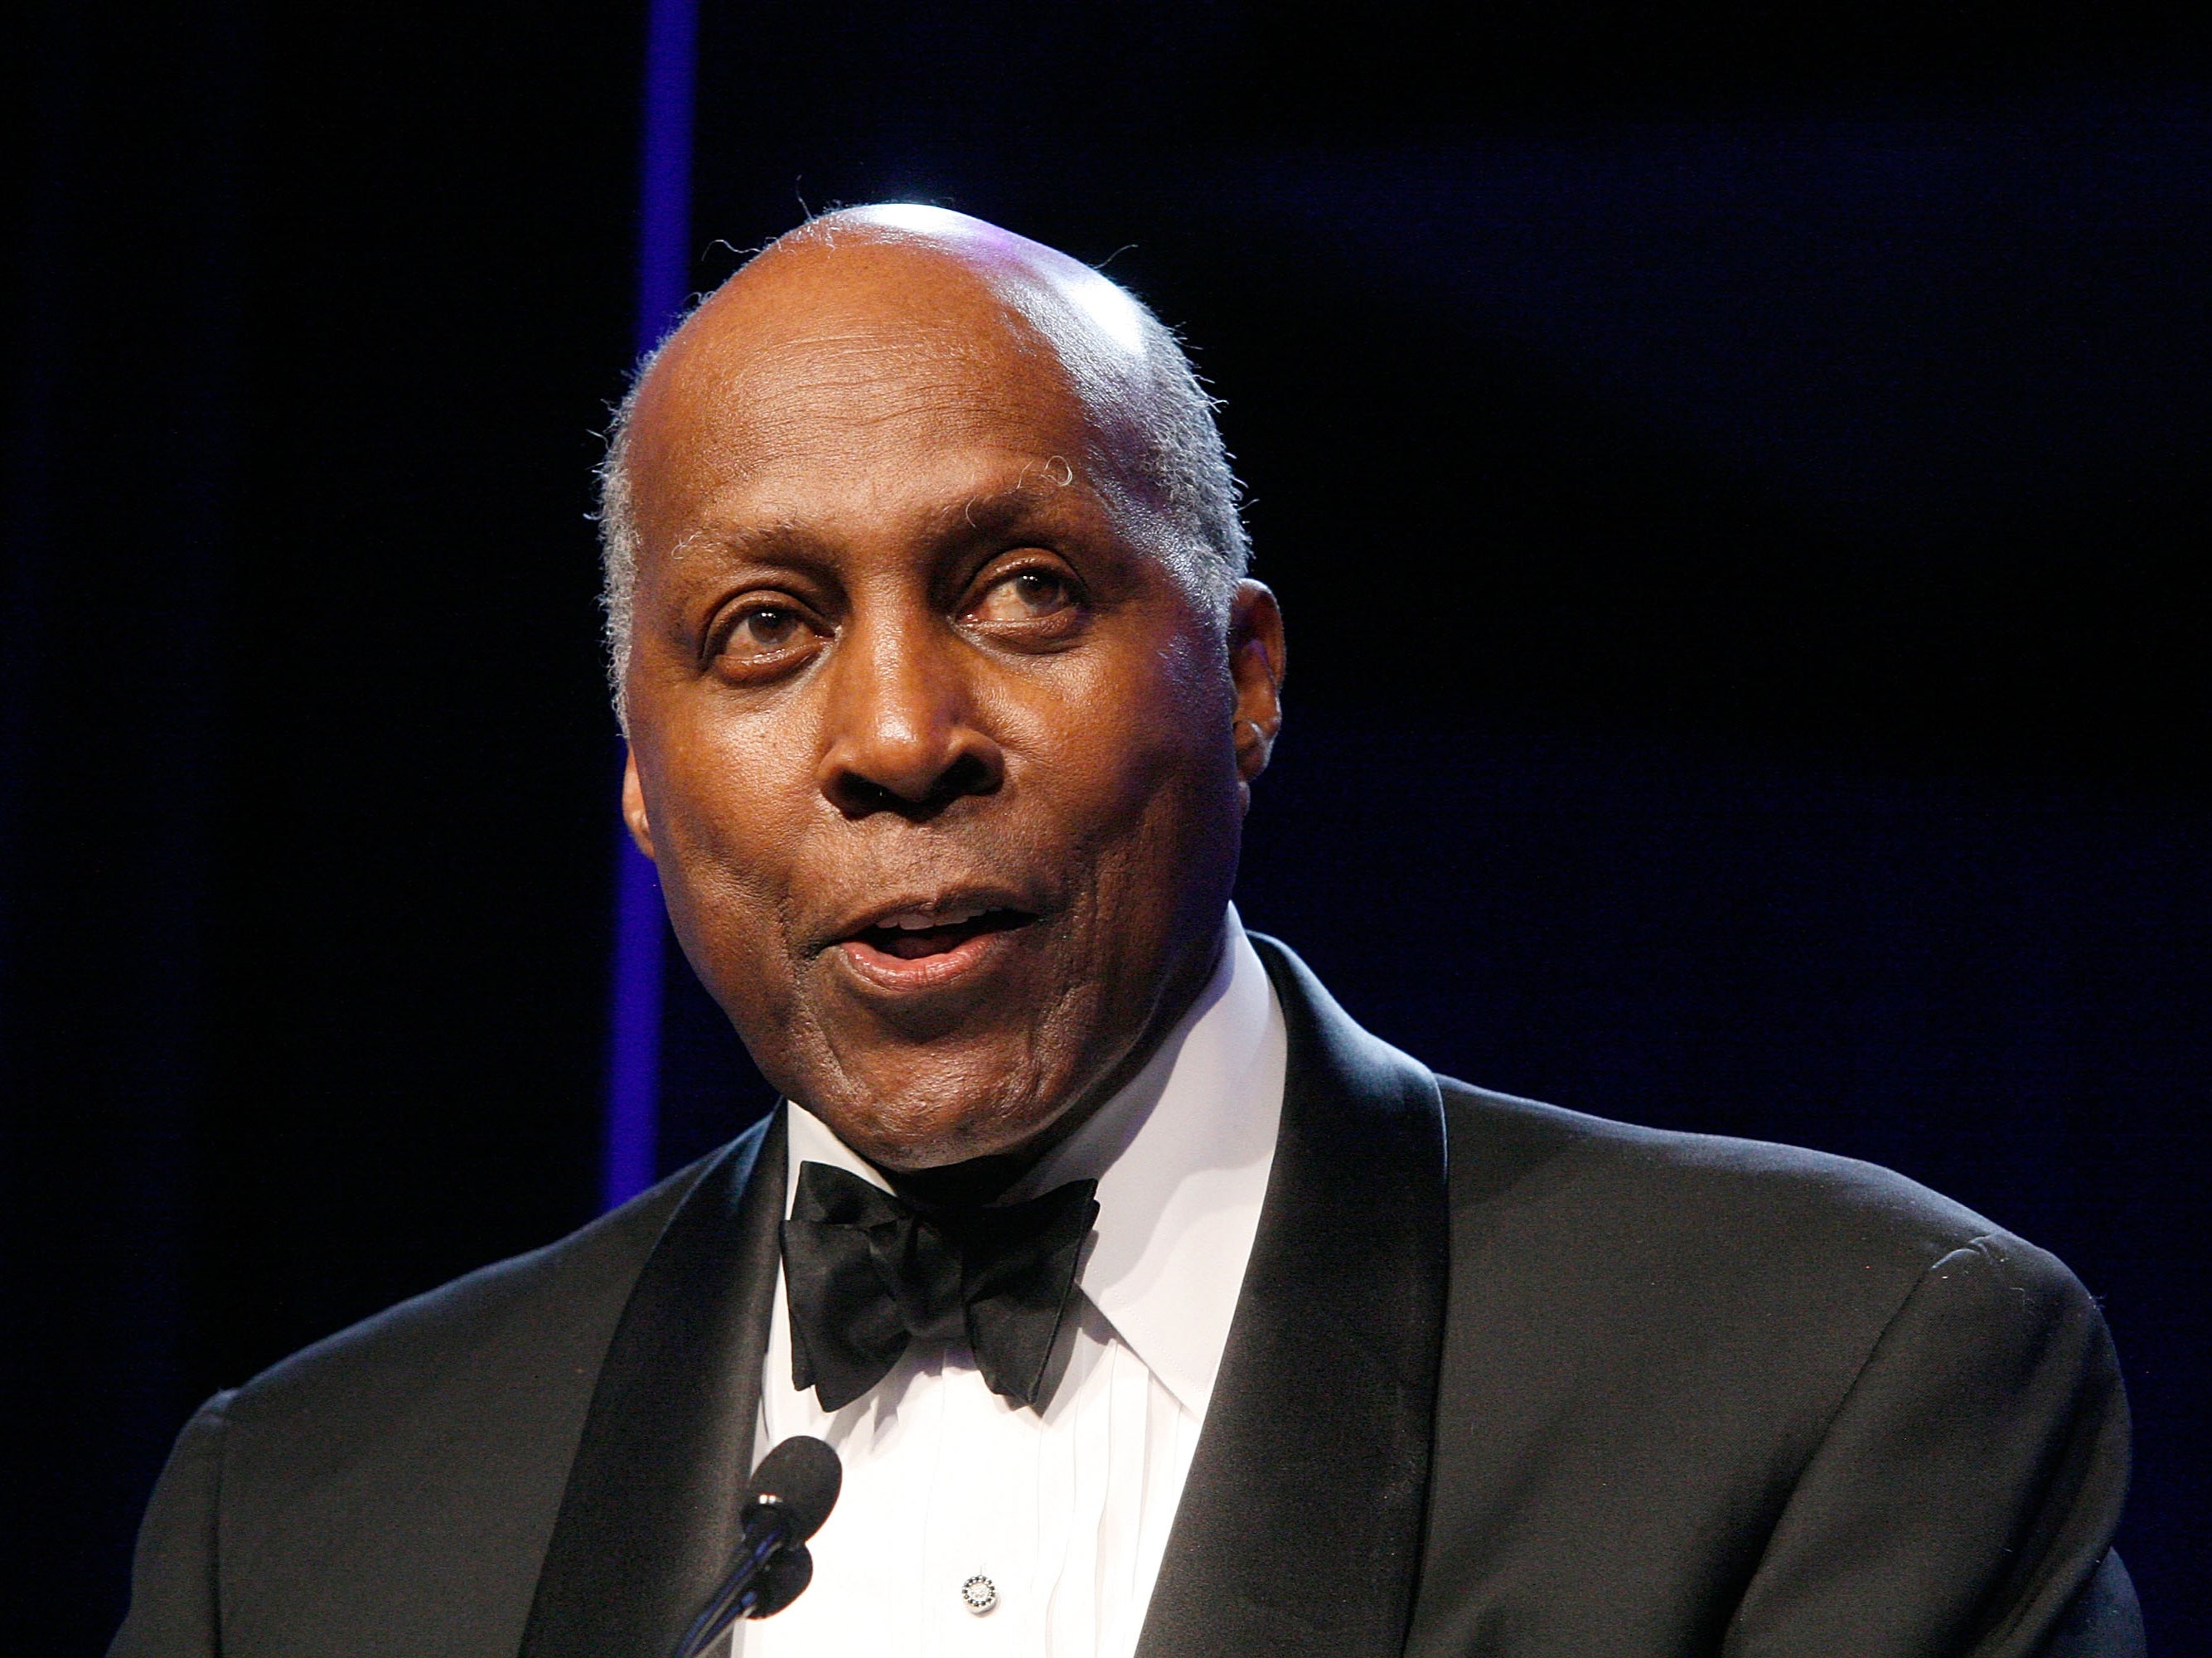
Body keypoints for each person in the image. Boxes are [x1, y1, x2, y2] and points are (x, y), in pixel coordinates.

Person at [109, 205, 2142, 1658]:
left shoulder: (1836, 1388)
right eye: (765, 634)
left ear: (1247, 678)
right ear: (643, 775)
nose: (900, 736)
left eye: (1019, 592)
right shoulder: (298, 1527)